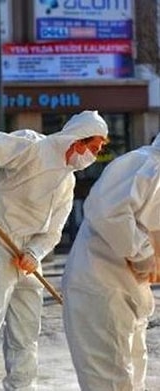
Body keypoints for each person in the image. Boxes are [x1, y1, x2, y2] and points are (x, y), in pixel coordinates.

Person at [0, 110, 109, 390]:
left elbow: (54, 230)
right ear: (77, 140)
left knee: (26, 329)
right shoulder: (31, 147)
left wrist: (35, 253)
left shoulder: (67, 181)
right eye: (94, 148)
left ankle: (22, 386)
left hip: (27, 255)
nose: (93, 156)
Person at [62, 136, 160, 391]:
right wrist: (144, 255)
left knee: (132, 372)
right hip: (101, 285)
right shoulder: (142, 163)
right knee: (108, 377)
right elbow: (109, 214)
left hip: (131, 289)